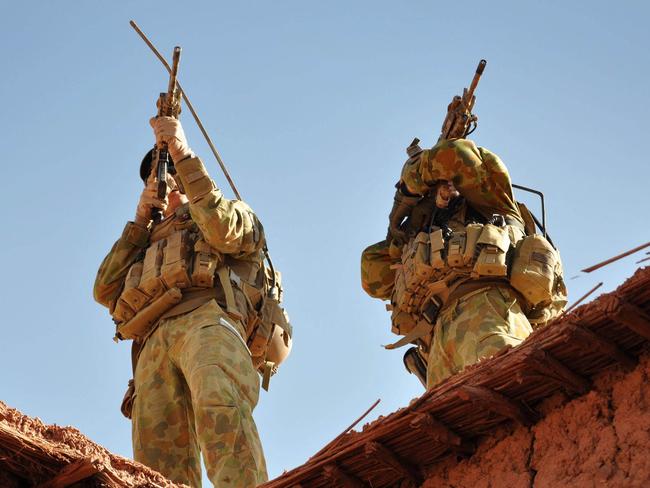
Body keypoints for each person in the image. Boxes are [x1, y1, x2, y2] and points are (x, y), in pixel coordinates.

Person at [94, 116, 268, 487]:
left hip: (207, 317)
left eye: (175, 175)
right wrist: (141, 221)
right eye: (158, 178)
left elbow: (225, 229)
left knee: (219, 408)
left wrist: (183, 153)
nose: (167, 182)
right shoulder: (146, 240)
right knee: (156, 462)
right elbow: (105, 290)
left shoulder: (229, 213)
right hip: (152, 341)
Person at [361, 137, 564, 389]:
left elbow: (455, 154)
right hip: (438, 341)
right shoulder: (423, 230)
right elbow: (372, 275)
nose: (444, 189)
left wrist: (412, 183)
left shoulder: (491, 202)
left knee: (512, 385)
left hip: (488, 309)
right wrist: (407, 222)